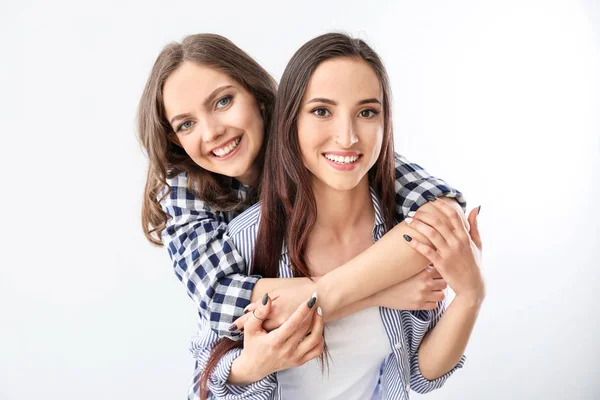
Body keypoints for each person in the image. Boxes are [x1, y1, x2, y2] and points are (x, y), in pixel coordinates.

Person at [197, 32, 484, 400]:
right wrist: (251, 368)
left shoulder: (402, 229)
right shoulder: (246, 238)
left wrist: (471, 296)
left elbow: (421, 373)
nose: (347, 137)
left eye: (367, 112)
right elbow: (205, 383)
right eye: (321, 111)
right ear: (290, 122)